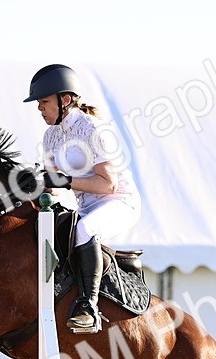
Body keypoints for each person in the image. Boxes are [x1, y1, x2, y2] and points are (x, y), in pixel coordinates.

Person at [24, 64, 141, 334]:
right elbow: (50, 191)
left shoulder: (93, 130)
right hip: (86, 206)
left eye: (44, 102)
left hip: (119, 202)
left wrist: (64, 181)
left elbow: (107, 184)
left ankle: (89, 307)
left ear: (64, 100)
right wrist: (32, 187)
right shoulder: (51, 135)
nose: (39, 108)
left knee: (84, 229)